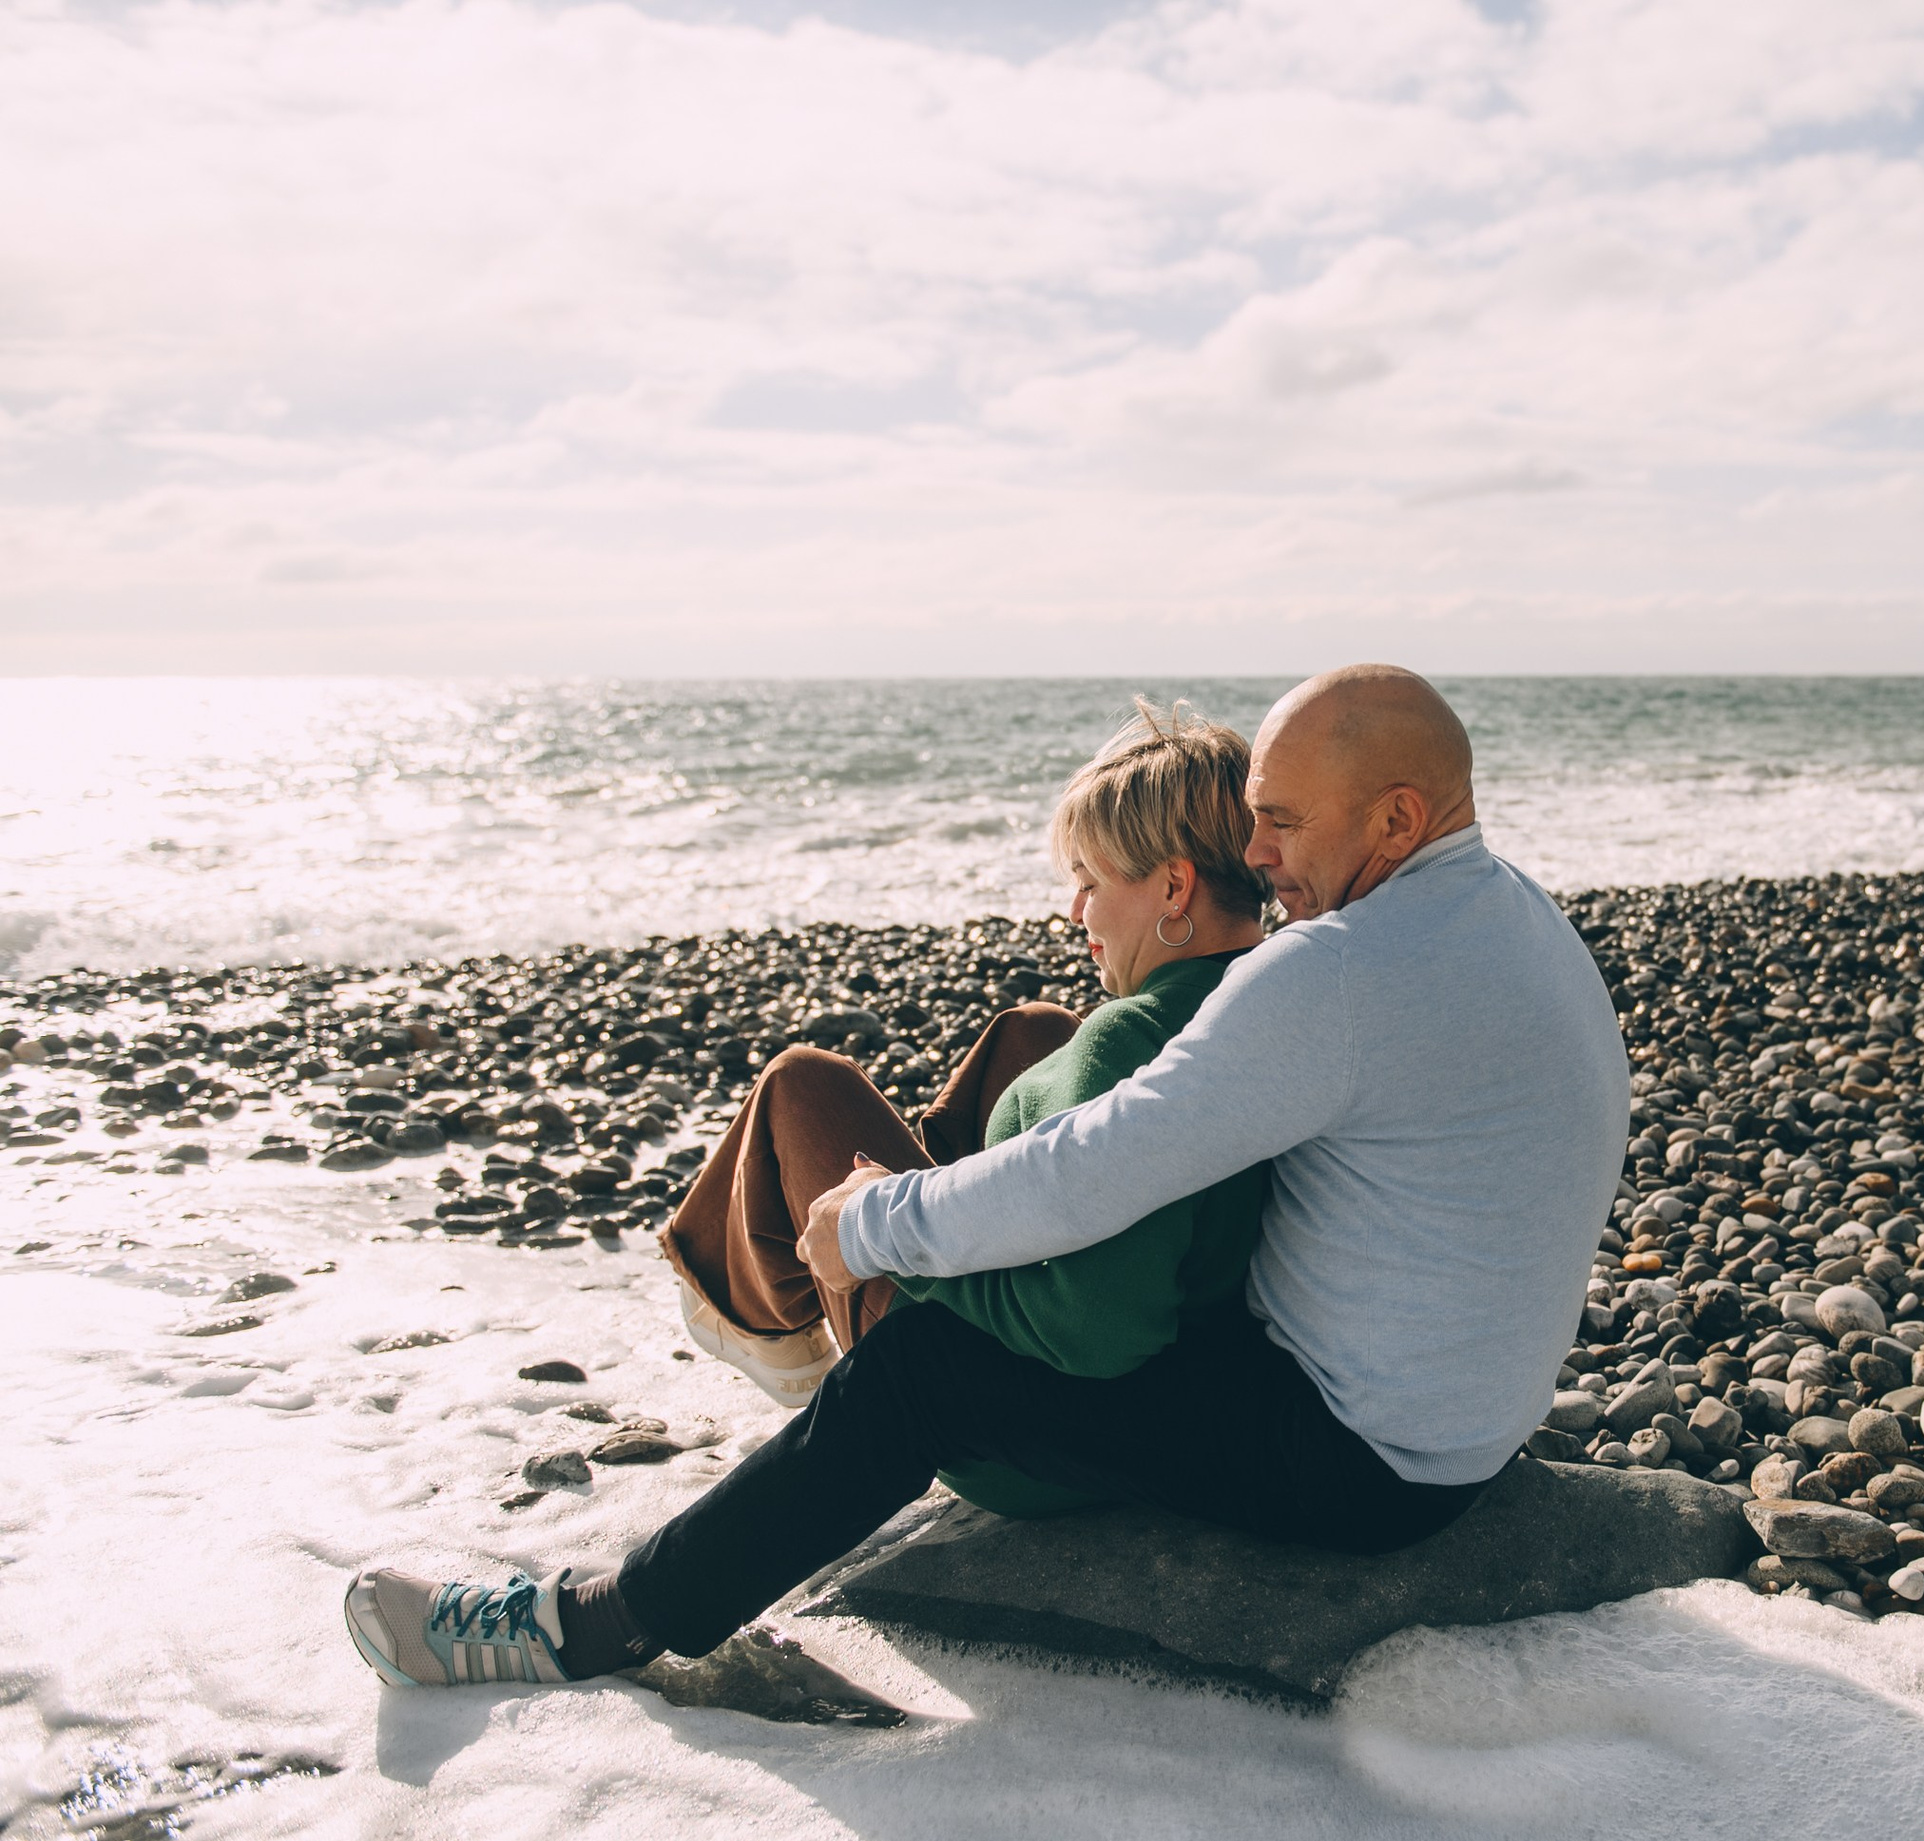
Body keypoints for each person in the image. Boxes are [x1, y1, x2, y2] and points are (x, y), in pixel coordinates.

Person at [341, 664, 1628, 1692]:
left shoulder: (1340, 968)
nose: (1264, 854)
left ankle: (594, 1626)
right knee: (1032, 1101)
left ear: (1399, 815)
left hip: (1358, 1459)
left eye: (1284, 821)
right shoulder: (1516, 919)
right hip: (1460, 1426)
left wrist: (868, 1220)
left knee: (921, 1373)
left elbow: (1091, 1170)